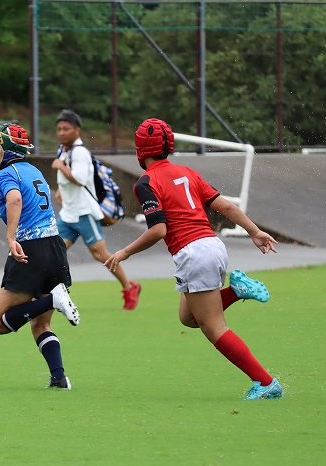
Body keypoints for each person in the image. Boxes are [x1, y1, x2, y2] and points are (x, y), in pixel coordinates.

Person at [104, 118, 282, 400]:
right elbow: (225, 206)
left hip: (193, 253)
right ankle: (236, 291)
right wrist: (254, 231)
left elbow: (158, 230)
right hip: (213, 245)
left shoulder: (146, 183)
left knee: (213, 327)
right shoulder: (187, 172)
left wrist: (124, 252)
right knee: (188, 317)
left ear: (140, 149)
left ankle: (265, 382)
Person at [0, 123, 81, 390]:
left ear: (7, 150)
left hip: (30, 250)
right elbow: (19, 201)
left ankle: (54, 299)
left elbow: (14, 199)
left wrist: (10, 237)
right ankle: (59, 378)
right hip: (55, 248)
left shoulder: (5, 175)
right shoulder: (33, 171)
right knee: (41, 324)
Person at [51, 109, 141, 310]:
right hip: (68, 214)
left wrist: (60, 167)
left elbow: (79, 179)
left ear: (77, 129)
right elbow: (69, 179)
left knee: (100, 255)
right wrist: (61, 191)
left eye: (66, 129)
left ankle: (130, 287)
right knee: (54, 253)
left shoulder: (80, 152)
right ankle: (44, 295)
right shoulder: (63, 150)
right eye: (59, 129)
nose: (62, 133)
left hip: (84, 213)